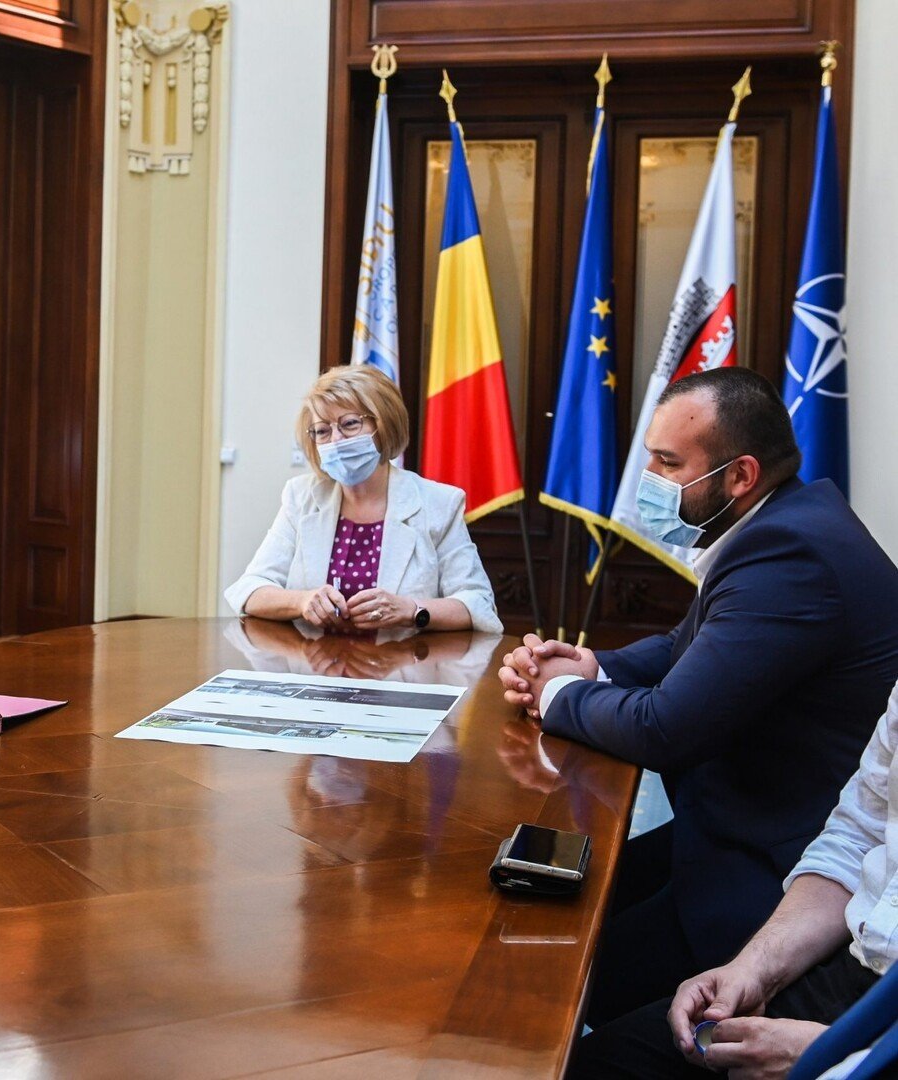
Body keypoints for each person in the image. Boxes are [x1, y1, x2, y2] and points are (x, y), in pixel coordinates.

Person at [497, 368, 898, 1034]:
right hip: (728, 825)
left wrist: (557, 693)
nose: (647, 479)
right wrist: (593, 666)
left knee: (552, 980)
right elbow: (689, 645)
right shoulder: (786, 520)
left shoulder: (789, 553)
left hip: (769, 871)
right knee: (544, 915)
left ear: (739, 476)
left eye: (667, 462)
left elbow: (666, 728)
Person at [569, 678, 898, 1079]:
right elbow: (858, 837)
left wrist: (833, 1054)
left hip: (865, 1041)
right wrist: (754, 968)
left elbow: (669, 723)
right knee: (596, 1061)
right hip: (856, 964)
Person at [224, 364, 501, 635]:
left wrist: (412, 610)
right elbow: (249, 589)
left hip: (404, 661)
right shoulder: (302, 497)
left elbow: (478, 604)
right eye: (322, 431)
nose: (336, 440)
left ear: (383, 425)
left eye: (349, 424)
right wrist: (302, 601)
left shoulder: (438, 503)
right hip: (314, 660)